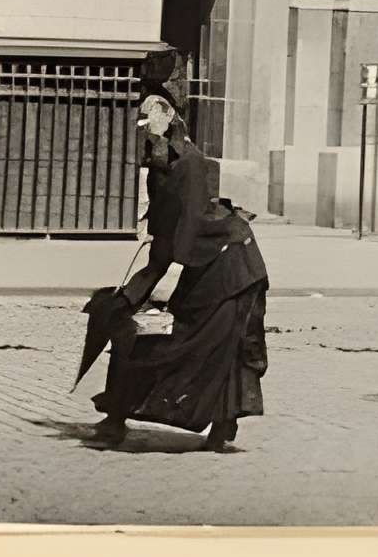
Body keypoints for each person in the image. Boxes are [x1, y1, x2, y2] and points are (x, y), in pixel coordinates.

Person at [89, 90, 268, 452]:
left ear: (168, 117)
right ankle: (116, 416)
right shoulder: (160, 165)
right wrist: (133, 292)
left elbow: (188, 226)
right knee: (143, 329)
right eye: (139, 122)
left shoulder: (190, 164)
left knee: (216, 345)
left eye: (148, 120)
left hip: (228, 265)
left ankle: (223, 425)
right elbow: (163, 234)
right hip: (199, 260)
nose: (142, 128)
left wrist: (161, 287)